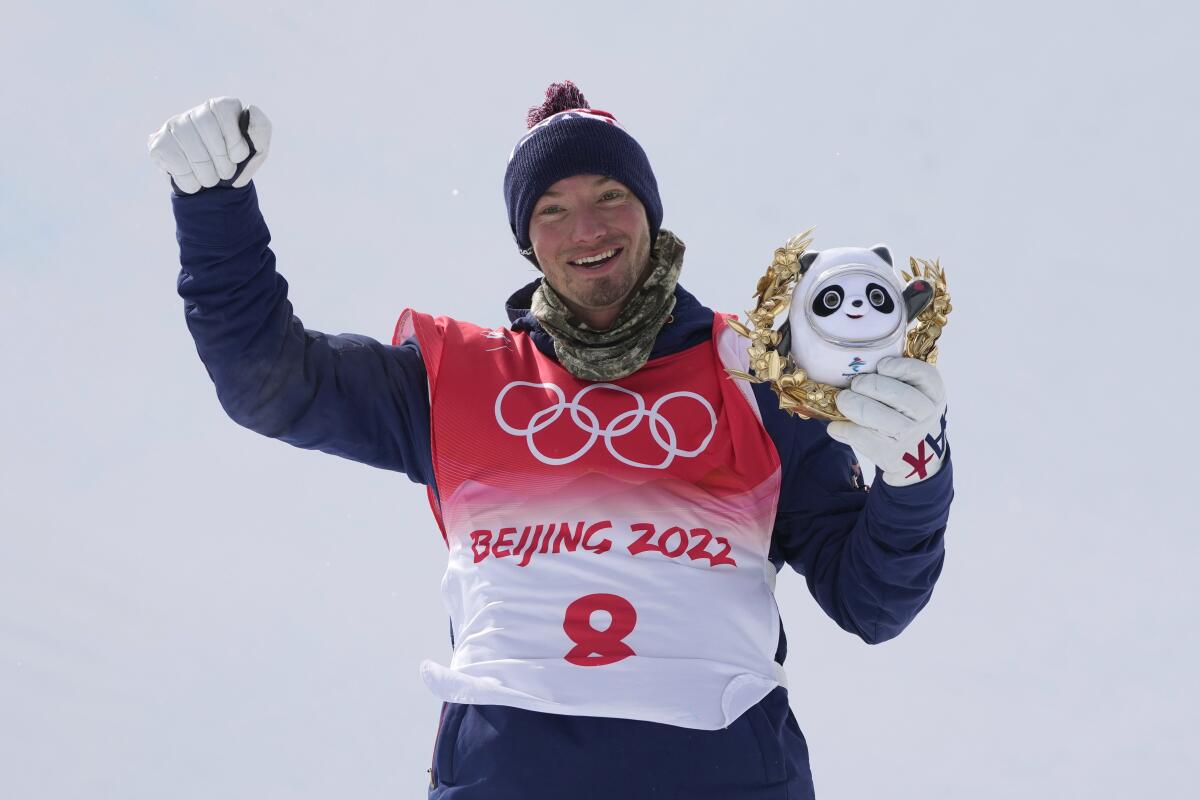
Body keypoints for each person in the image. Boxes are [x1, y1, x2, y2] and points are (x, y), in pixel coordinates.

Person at [147, 82, 953, 800]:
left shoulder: (754, 376)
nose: (587, 229)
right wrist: (213, 207)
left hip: (726, 773)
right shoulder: (456, 381)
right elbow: (267, 380)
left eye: (610, 195)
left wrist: (916, 470)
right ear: (528, 242)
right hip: (510, 776)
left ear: (650, 211)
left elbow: (872, 600)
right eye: (553, 210)